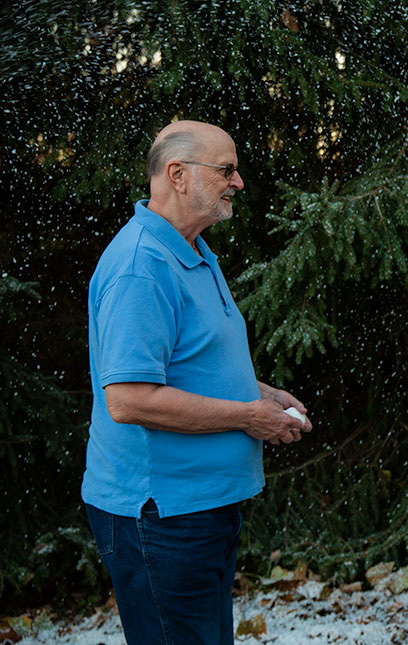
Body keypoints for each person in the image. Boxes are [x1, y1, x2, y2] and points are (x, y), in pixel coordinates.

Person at [83, 120, 312, 644]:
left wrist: (262, 394)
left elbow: (194, 363)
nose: (238, 182)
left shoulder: (191, 250)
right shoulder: (142, 266)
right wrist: (247, 417)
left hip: (198, 509)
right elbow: (129, 398)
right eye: (226, 170)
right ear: (178, 175)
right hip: (159, 517)